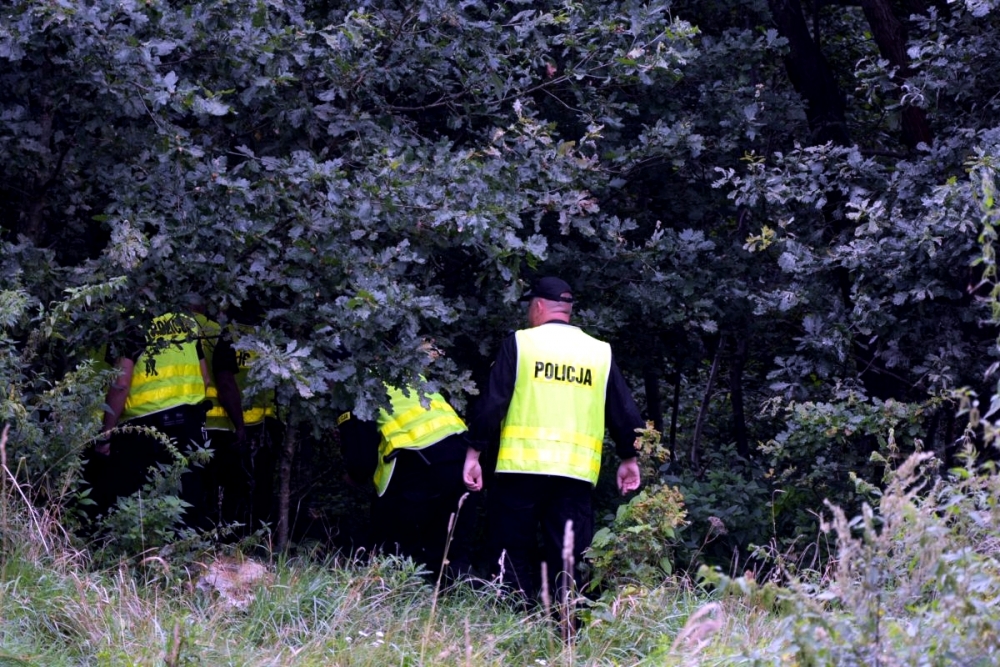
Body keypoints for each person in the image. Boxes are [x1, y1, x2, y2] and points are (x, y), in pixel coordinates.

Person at [463, 276, 643, 604]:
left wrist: (474, 452)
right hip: (574, 476)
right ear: (568, 311)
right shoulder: (598, 352)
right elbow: (624, 409)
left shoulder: (521, 343)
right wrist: (629, 458)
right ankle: (565, 629)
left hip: (520, 469)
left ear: (540, 306)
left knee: (510, 550)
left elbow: (492, 403)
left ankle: (513, 620)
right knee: (569, 558)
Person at [339, 380, 477, 582]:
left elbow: (362, 460)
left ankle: (400, 597)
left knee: (396, 549)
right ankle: (465, 601)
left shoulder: (355, 389)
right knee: (451, 550)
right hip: (461, 457)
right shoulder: (409, 373)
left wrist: (353, 477)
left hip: (418, 464)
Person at [95, 310, 215, 527]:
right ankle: (191, 555)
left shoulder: (131, 321)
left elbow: (121, 383)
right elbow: (205, 378)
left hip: (144, 427)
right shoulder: (186, 321)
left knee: (137, 499)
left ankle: (144, 556)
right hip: (189, 421)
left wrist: (106, 434)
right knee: (187, 496)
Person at [209, 320, 282, 536]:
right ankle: (250, 537)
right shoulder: (267, 333)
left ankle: (247, 537)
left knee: (243, 489)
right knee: (253, 489)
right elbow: (226, 382)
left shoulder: (235, 334)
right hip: (250, 425)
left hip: (248, 426)